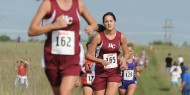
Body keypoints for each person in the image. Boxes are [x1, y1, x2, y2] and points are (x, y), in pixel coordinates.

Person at [28, 0, 98, 95]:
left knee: (64, 92)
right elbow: (31, 31)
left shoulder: (78, 4)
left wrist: (91, 28)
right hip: (52, 58)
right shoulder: (48, 4)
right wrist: (53, 26)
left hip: (73, 57)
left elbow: (94, 24)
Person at [85, 12, 128, 95]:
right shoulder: (98, 37)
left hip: (114, 72)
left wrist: (124, 60)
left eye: (111, 21)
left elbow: (126, 53)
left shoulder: (121, 36)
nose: (109, 23)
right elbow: (87, 55)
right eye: (106, 21)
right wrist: (100, 61)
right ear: (104, 23)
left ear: (115, 21)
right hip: (100, 72)